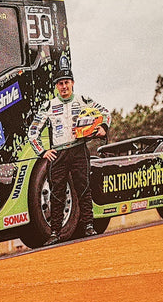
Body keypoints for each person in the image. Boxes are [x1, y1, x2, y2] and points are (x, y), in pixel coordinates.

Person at [28, 59, 111, 244]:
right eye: (60, 83)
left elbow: (105, 112)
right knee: (57, 193)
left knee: (83, 189)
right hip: (58, 154)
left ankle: (89, 226)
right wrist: (42, 152)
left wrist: (102, 128)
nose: (64, 86)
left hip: (78, 150)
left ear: (72, 83)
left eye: (66, 82)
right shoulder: (49, 106)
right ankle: (55, 233)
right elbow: (32, 132)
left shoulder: (83, 100)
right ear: (56, 86)